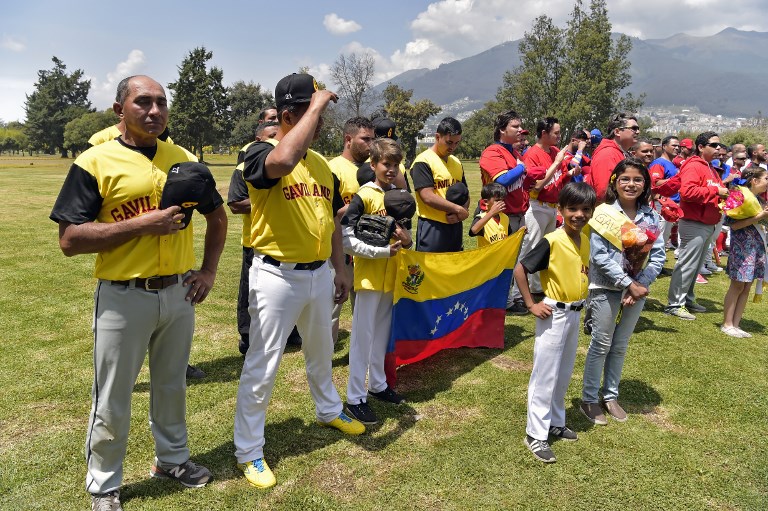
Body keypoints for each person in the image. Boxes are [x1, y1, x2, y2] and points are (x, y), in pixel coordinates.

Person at [50, 75, 227, 510]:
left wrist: (207, 271)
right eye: (142, 101)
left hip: (178, 292)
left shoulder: (182, 158)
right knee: (112, 395)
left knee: (171, 386)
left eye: (161, 103)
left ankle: (172, 461)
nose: (154, 110)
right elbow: (70, 239)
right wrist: (140, 224)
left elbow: (217, 216)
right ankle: (104, 483)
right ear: (119, 110)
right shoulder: (95, 161)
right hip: (122, 295)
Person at [233, 73, 364, 490]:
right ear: (290, 114)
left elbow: (331, 223)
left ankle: (329, 409)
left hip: (318, 274)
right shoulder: (260, 151)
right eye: (311, 114)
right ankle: (249, 450)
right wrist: (319, 103)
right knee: (263, 363)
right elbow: (282, 163)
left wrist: (340, 268)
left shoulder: (322, 165)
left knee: (322, 351)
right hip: (276, 274)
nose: (321, 123)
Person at [514, 182, 597, 463]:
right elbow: (520, 268)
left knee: (563, 372)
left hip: (574, 312)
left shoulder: (584, 239)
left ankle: (555, 421)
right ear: (560, 210)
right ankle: (535, 433)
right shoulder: (553, 239)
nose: (579, 214)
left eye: (585, 209)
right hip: (553, 312)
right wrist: (530, 304)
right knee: (545, 374)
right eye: (572, 208)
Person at [580, 158, 665, 425]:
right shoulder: (603, 212)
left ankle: (611, 395)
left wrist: (640, 284)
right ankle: (589, 399)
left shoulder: (651, 216)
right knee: (601, 343)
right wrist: (628, 283)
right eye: (625, 179)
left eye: (637, 179)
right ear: (615, 182)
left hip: (637, 289)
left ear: (645, 184)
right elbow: (599, 256)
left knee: (620, 345)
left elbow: (658, 255)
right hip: (606, 287)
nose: (631, 184)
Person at [341, 138, 412, 425]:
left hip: (390, 276)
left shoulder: (398, 194)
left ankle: (378, 385)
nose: (391, 170)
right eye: (386, 164)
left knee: (381, 335)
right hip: (369, 276)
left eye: (395, 165)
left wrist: (406, 240)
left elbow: (404, 235)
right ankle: (354, 398)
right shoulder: (365, 195)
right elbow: (346, 238)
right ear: (373, 165)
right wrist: (380, 251)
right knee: (362, 338)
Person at [228, 120, 302, 356]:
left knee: (289, 290)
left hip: (287, 241)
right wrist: (272, 202)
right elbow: (236, 204)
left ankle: (291, 333)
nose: (277, 139)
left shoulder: (294, 167)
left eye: (279, 135)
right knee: (251, 293)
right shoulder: (243, 169)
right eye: (271, 135)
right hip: (256, 241)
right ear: (258, 141)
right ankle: (248, 336)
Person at [665, 131, 729, 320]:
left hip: (707, 222)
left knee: (696, 265)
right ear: (701, 147)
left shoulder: (709, 167)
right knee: (687, 264)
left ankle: (688, 299)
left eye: (719, 145)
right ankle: (675, 303)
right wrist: (715, 190)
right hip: (694, 222)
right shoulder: (694, 165)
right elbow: (687, 192)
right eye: (714, 145)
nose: (719, 148)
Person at [328, 117, 375, 343]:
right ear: (348, 139)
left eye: (373, 139)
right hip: (341, 248)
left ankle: (363, 354)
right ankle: (325, 356)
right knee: (332, 306)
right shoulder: (333, 168)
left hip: (367, 248)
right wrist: (357, 206)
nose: (371, 144)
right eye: (365, 139)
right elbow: (326, 213)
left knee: (365, 307)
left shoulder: (373, 168)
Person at [519, 117, 569, 296]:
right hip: (537, 206)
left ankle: (538, 285)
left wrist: (570, 171)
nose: (559, 135)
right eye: (556, 132)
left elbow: (559, 177)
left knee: (546, 248)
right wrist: (556, 163)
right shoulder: (532, 153)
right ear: (543, 134)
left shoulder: (554, 150)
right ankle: (522, 290)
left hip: (552, 206)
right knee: (531, 247)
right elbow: (538, 185)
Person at [721, 167, 768, 337]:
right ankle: (727, 323)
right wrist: (759, 216)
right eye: (766, 179)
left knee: (747, 285)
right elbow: (733, 225)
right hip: (742, 247)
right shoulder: (739, 196)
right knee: (738, 284)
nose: (767, 183)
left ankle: (736, 323)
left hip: (757, 246)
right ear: (755, 180)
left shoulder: (760, 200)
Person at [411, 117, 469, 252]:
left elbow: (464, 192)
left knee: (453, 269)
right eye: (449, 142)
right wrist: (458, 209)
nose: (453, 147)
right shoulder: (423, 161)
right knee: (430, 271)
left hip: (455, 225)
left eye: (456, 143)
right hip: (432, 226)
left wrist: (462, 211)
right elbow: (427, 196)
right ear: (437, 137)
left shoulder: (456, 162)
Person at [587, 113, 639, 203]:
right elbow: (604, 193)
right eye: (633, 128)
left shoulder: (622, 153)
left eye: (638, 128)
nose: (638, 132)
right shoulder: (607, 154)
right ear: (617, 131)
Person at [649, 136, 681, 250]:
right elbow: (655, 183)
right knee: (658, 238)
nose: (677, 148)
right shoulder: (659, 163)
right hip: (661, 204)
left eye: (678, 146)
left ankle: (659, 265)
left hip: (671, 204)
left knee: (664, 237)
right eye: (674, 145)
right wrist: (676, 180)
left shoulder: (672, 164)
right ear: (664, 146)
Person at [469, 182, 513, 247]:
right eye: (497, 200)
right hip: (487, 256)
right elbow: (473, 231)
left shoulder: (505, 218)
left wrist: (519, 233)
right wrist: (491, 213)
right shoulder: (481, 218)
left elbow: (508, 236)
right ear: (486, 202)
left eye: (502, 200)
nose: (501, 203)